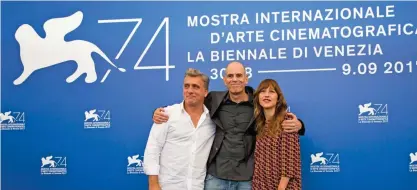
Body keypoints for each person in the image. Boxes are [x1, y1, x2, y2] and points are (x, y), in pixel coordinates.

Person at [152, 62, 305, 190]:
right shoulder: (213, 99)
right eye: (230, 76)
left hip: (246, 177)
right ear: (224, 80)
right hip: (216, 175)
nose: (234, 79)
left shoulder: (258, 103)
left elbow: (275, 117)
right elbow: (191, 102)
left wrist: (299, 125)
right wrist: (159, 112)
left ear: (246, 79)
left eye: (239, 76)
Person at [143, 68, 216, 190]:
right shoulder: (166, 114)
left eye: (195, 87)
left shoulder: (213, 119)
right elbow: (153, 149)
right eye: (186, 86)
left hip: (197, 186)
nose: (190, 90)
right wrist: (153, 184)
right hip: (167, 186)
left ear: (205, 92)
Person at [252, 79, 301, 190]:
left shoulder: (287, 121)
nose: (267, 95)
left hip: (283, 186)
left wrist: (281, 188)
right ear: (258, 97)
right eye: (263, 91)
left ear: (278, 98)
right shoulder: (259, 124)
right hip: (260, 185)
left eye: (272, 92)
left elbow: (290, 161)